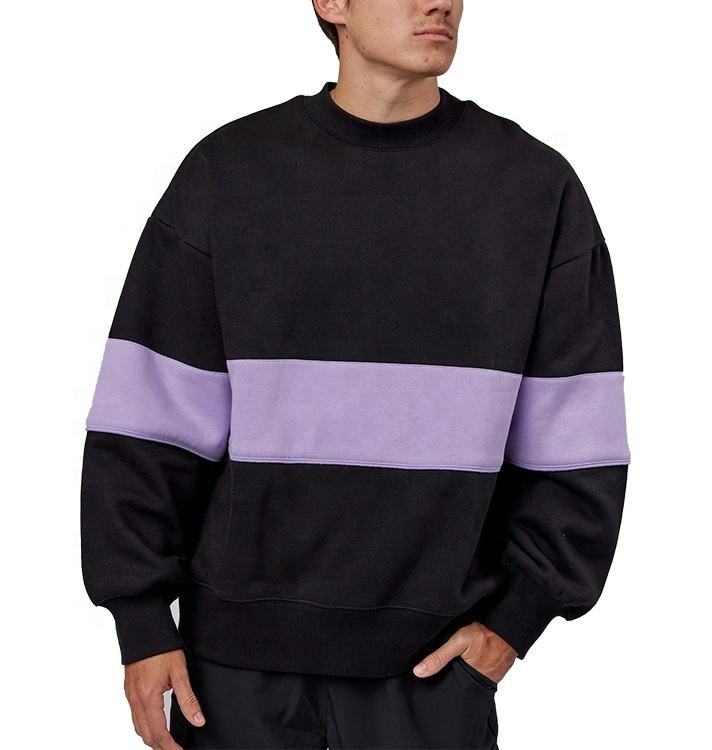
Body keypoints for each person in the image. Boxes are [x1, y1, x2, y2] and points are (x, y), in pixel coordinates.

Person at [79, 0, 630, 747]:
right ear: (331, 4)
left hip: (434, 673)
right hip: (235, 674)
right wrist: (141, 621)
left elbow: (580, 440)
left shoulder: (534, 189)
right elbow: (149, 420)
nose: (440, 2)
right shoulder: (230, 174)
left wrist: (515, 622)